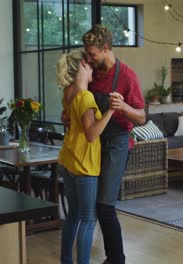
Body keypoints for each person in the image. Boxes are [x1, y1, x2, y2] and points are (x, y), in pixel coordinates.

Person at [62, 25, 146, 264]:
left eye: (92, 53)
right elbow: (78, 103)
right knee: (89, 208)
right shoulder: (92, 73)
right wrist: (68, 114)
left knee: (104, 205)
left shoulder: (127, 76)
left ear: (106, 48)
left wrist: (123, 108)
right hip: (93, 141)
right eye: (86, 54)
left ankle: (116, 258)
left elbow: (141, 117)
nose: (88, 59)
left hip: (117, 142)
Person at [56, 49, 122, 264]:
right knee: (87, 218)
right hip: (84, 165)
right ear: (83, 66)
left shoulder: (68, 92)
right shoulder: (85, 96)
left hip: (68, 161)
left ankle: (66, 261)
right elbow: (92, 134)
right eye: (90, 64)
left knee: (73, 215)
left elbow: (66, 118)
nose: (94, 67)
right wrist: (111, 111)